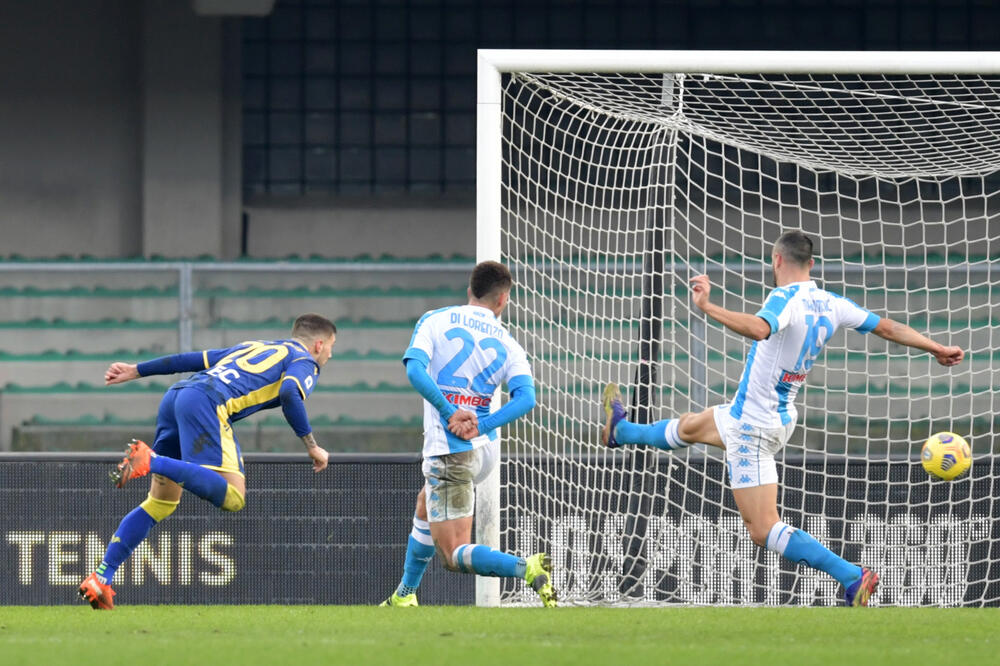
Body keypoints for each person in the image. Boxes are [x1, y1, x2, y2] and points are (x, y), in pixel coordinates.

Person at [602, 230, 964, 607]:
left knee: (763, 528)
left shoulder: (783, 297)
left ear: (777, 260)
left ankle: (853, 576)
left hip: (751, 426)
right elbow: (887, 327)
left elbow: (761, 328)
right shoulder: (831, 302)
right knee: (694, 425)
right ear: (811, 263)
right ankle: (622, 430)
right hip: (774, 415)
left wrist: (708, 307)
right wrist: (936, 347)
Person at [78, 313, 337, 610]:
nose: (330, 354)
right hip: (207, 403)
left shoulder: (254, 346)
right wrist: (312, 446)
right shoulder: (305, 362)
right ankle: (151, 460)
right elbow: (291, 392)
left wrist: (137, 370)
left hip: (177, 396)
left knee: (161, 503)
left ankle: (102, 577)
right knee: (234, 497)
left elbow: (191, 359)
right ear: (319, 344)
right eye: (331, 347)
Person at [379, 260, 556, 608]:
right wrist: (483, 425)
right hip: (484, 448)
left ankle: (525, 567)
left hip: (451, 449)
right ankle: (405, 594)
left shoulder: (435, 319)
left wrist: (448, 411)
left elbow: (414, 370)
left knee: (454, 553)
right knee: (425, 503)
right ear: (503, 300)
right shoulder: (508, 341)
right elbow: (527, 399)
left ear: (469, 290)